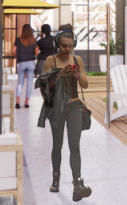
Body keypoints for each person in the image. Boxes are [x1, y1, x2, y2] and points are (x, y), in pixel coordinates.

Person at [39, 30, 92, 200]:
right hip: (57, 108)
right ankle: (56, 179)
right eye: (63, 45)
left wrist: (77, 75)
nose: (67, 49)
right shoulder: (51, 60)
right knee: (57, 144)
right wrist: (59, 74)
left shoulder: (77, 60)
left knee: (74, 146)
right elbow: (43, 83)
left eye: (70, 46)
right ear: (57, 44)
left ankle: (77, 183)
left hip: (74, 106)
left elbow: (85, 84)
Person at [14, 24, 37, 109]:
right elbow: (37, 52)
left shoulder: (18, 40)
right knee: (29, 83)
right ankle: (27, 102)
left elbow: (13, 51)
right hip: (31, 63)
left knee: (20, 83)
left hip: (21, 63)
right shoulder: (33, 40)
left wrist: (18, 54)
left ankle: (18, 101)